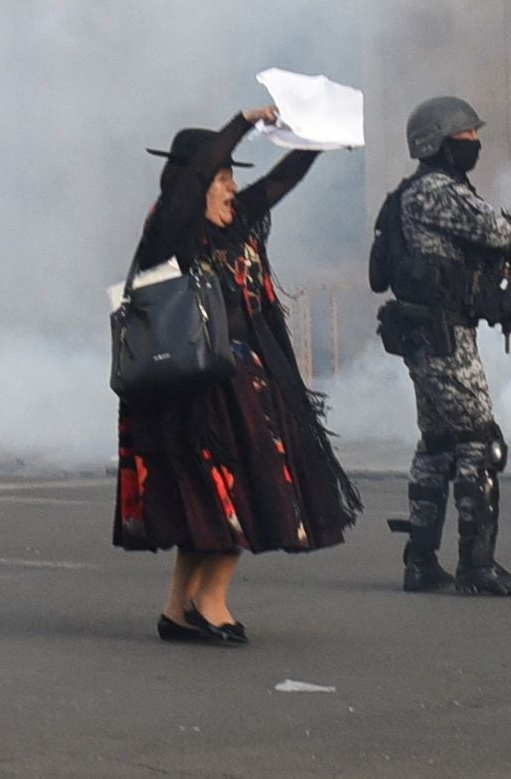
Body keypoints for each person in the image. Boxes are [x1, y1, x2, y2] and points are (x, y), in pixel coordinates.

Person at [114, 105, 363, 646]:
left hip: (245, 375)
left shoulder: (239, 219)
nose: (231, 186)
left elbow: (281, 180)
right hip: (199, 389)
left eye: (231, 177)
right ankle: (211, 604)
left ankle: (178, 611)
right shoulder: (172, 226)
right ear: (194, 181)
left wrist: (319, 139)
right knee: (241, 492)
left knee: (213, 501)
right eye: (222, 177)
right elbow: (197, 175)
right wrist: (244, 120)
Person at [375, 96, 511, 597]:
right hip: (444, 336)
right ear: (439, 144)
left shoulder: (413, 193)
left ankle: (420, 562)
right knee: (479, 443)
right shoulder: (438, 193)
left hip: (428, 333)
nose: (474, 144)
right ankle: (476, 566)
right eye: (466, 138)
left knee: (439, 444)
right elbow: (499, 229)